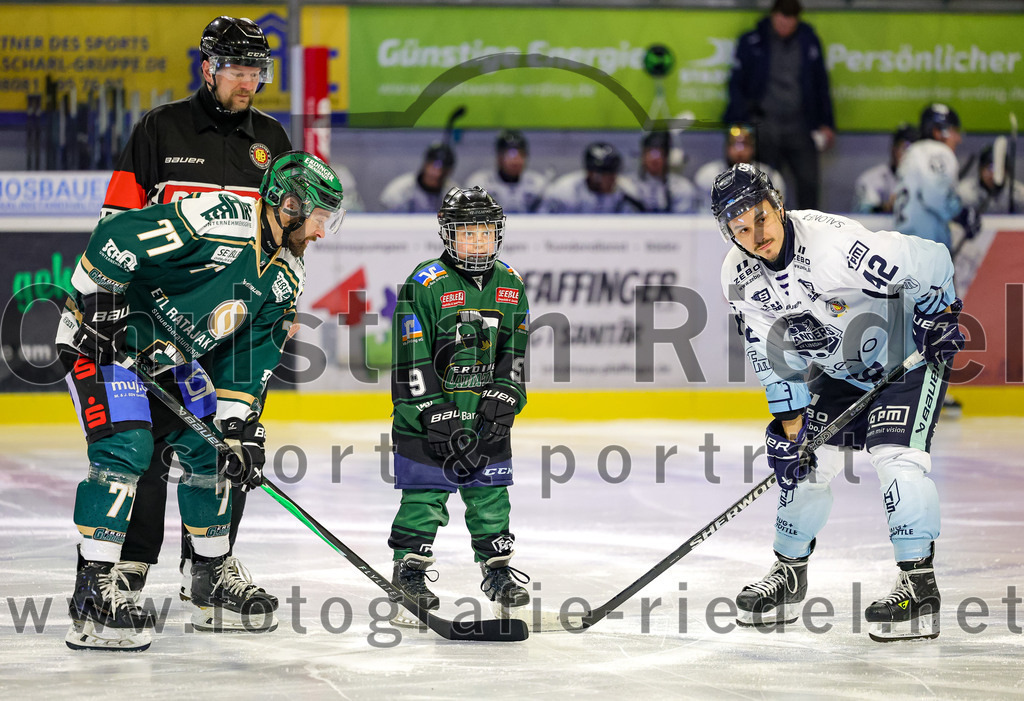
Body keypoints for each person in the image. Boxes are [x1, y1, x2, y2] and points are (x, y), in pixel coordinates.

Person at [57, 152, 346, 650]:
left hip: (171, 359)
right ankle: (93, 591)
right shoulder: (221, 218)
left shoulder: (287, 276)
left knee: (213, 449)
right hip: (103, 340)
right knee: (126, 447)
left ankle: (209, 575)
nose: (321, 232)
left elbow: (247, 362)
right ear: (289, 205)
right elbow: (117, 234)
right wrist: (101, 301)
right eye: (318, 219)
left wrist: (237, 428)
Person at [711, 163, 963, 642]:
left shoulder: (837, 248)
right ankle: (788, 573)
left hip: (905, 355)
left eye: (760, 218)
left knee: (897, 460)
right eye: (739, 227)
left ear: (777, 205)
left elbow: (932, 259)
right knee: (805, 466)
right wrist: (791, 431)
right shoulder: (738, 276)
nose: (755, 234)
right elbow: (772, 357)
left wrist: (943, 313)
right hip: (838, 368)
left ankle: (919, 586)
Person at [98, 16, 293, 608]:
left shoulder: (273, 141)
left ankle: (210, 567)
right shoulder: (161, 129)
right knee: (149, 443)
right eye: (239, 70)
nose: (249, 82)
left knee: (229, 445)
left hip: (233, 326)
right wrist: (110, 304)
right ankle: (129, 568)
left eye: (257, 71)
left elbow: (283, 236)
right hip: (157, 320)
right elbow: (118, 217)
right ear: (207, 67)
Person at [388, 186, 531, 621]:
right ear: (448, 235)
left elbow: (515, 351)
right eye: (466, 233)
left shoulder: (511, 283)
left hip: (483, 413)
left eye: (484, 232)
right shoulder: (424, 282)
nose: (477, 242)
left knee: (491, 496)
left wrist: (507, 395)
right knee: (424, 496)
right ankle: (409, 570)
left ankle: (497, 570)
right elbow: (409, 355)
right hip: (426, 417)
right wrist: (432, 411)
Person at [723, 0, 835, 209]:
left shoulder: (808, 41)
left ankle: (808, 232)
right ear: (773, 15)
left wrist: (826, 122)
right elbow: (737, 84)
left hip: (800, 124)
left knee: (808, 181)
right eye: (781, 18)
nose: (785, 23)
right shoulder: (752, 41)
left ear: (797, 19)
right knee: (764, 182)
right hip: (764, 123)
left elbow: (821, 83)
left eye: (790, 19)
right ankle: (766, 230)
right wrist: (741, 120)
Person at [894, 103, 980, 253]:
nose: (958, 139)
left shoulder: (911, 153)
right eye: (954, 131)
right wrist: (960, 213)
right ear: (938, 131)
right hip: (926, 249)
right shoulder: (938, 152)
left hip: (903, 245)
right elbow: (934, 193)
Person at [694, 124, 785, 212]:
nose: (739, 152)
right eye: (734, 144)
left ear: (753, 148)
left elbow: (777, 211)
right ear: (727, 147)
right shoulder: (708, 175)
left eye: (745, 145)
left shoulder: (770, 176)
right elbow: (701, 211)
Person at [540, 142, 642, 213]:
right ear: (592, 174)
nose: (613, 179)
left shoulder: (628, 193)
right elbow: (542, 224)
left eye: (614, 173)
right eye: (607, 174)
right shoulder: (563, 191)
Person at [465, 129, 549, 213]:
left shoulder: (538, 185)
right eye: (511, 154)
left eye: (521, 154)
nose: (516, 160)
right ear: (499, 157)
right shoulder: (481, 184)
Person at [852, 123, 918, 214]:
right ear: (894, 149)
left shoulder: (923, 181)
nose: (909, 155)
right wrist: (888, 207)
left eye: (913, 150)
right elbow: (865, 211)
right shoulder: (871, 178)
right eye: (905, 148)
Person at [631, 131, 698, 213]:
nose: (654, 159)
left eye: (659, 153)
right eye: (650, 152)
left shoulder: (682, 187)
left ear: (667, 157)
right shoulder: (628, 186)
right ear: (642, 156)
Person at [380, 141, 457, 213]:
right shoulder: (400, 191)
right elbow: (386, 222)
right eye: (434, 167)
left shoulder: (454, 194)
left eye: (444, 170)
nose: (438, 174)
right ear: (425, 164)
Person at [958, 140, 1024, 215]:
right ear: (980, 169)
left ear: (1006, 171)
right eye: (989, 168)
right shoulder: (965, 191)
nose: (993, 174)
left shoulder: (1018, 193)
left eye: (998, 168)